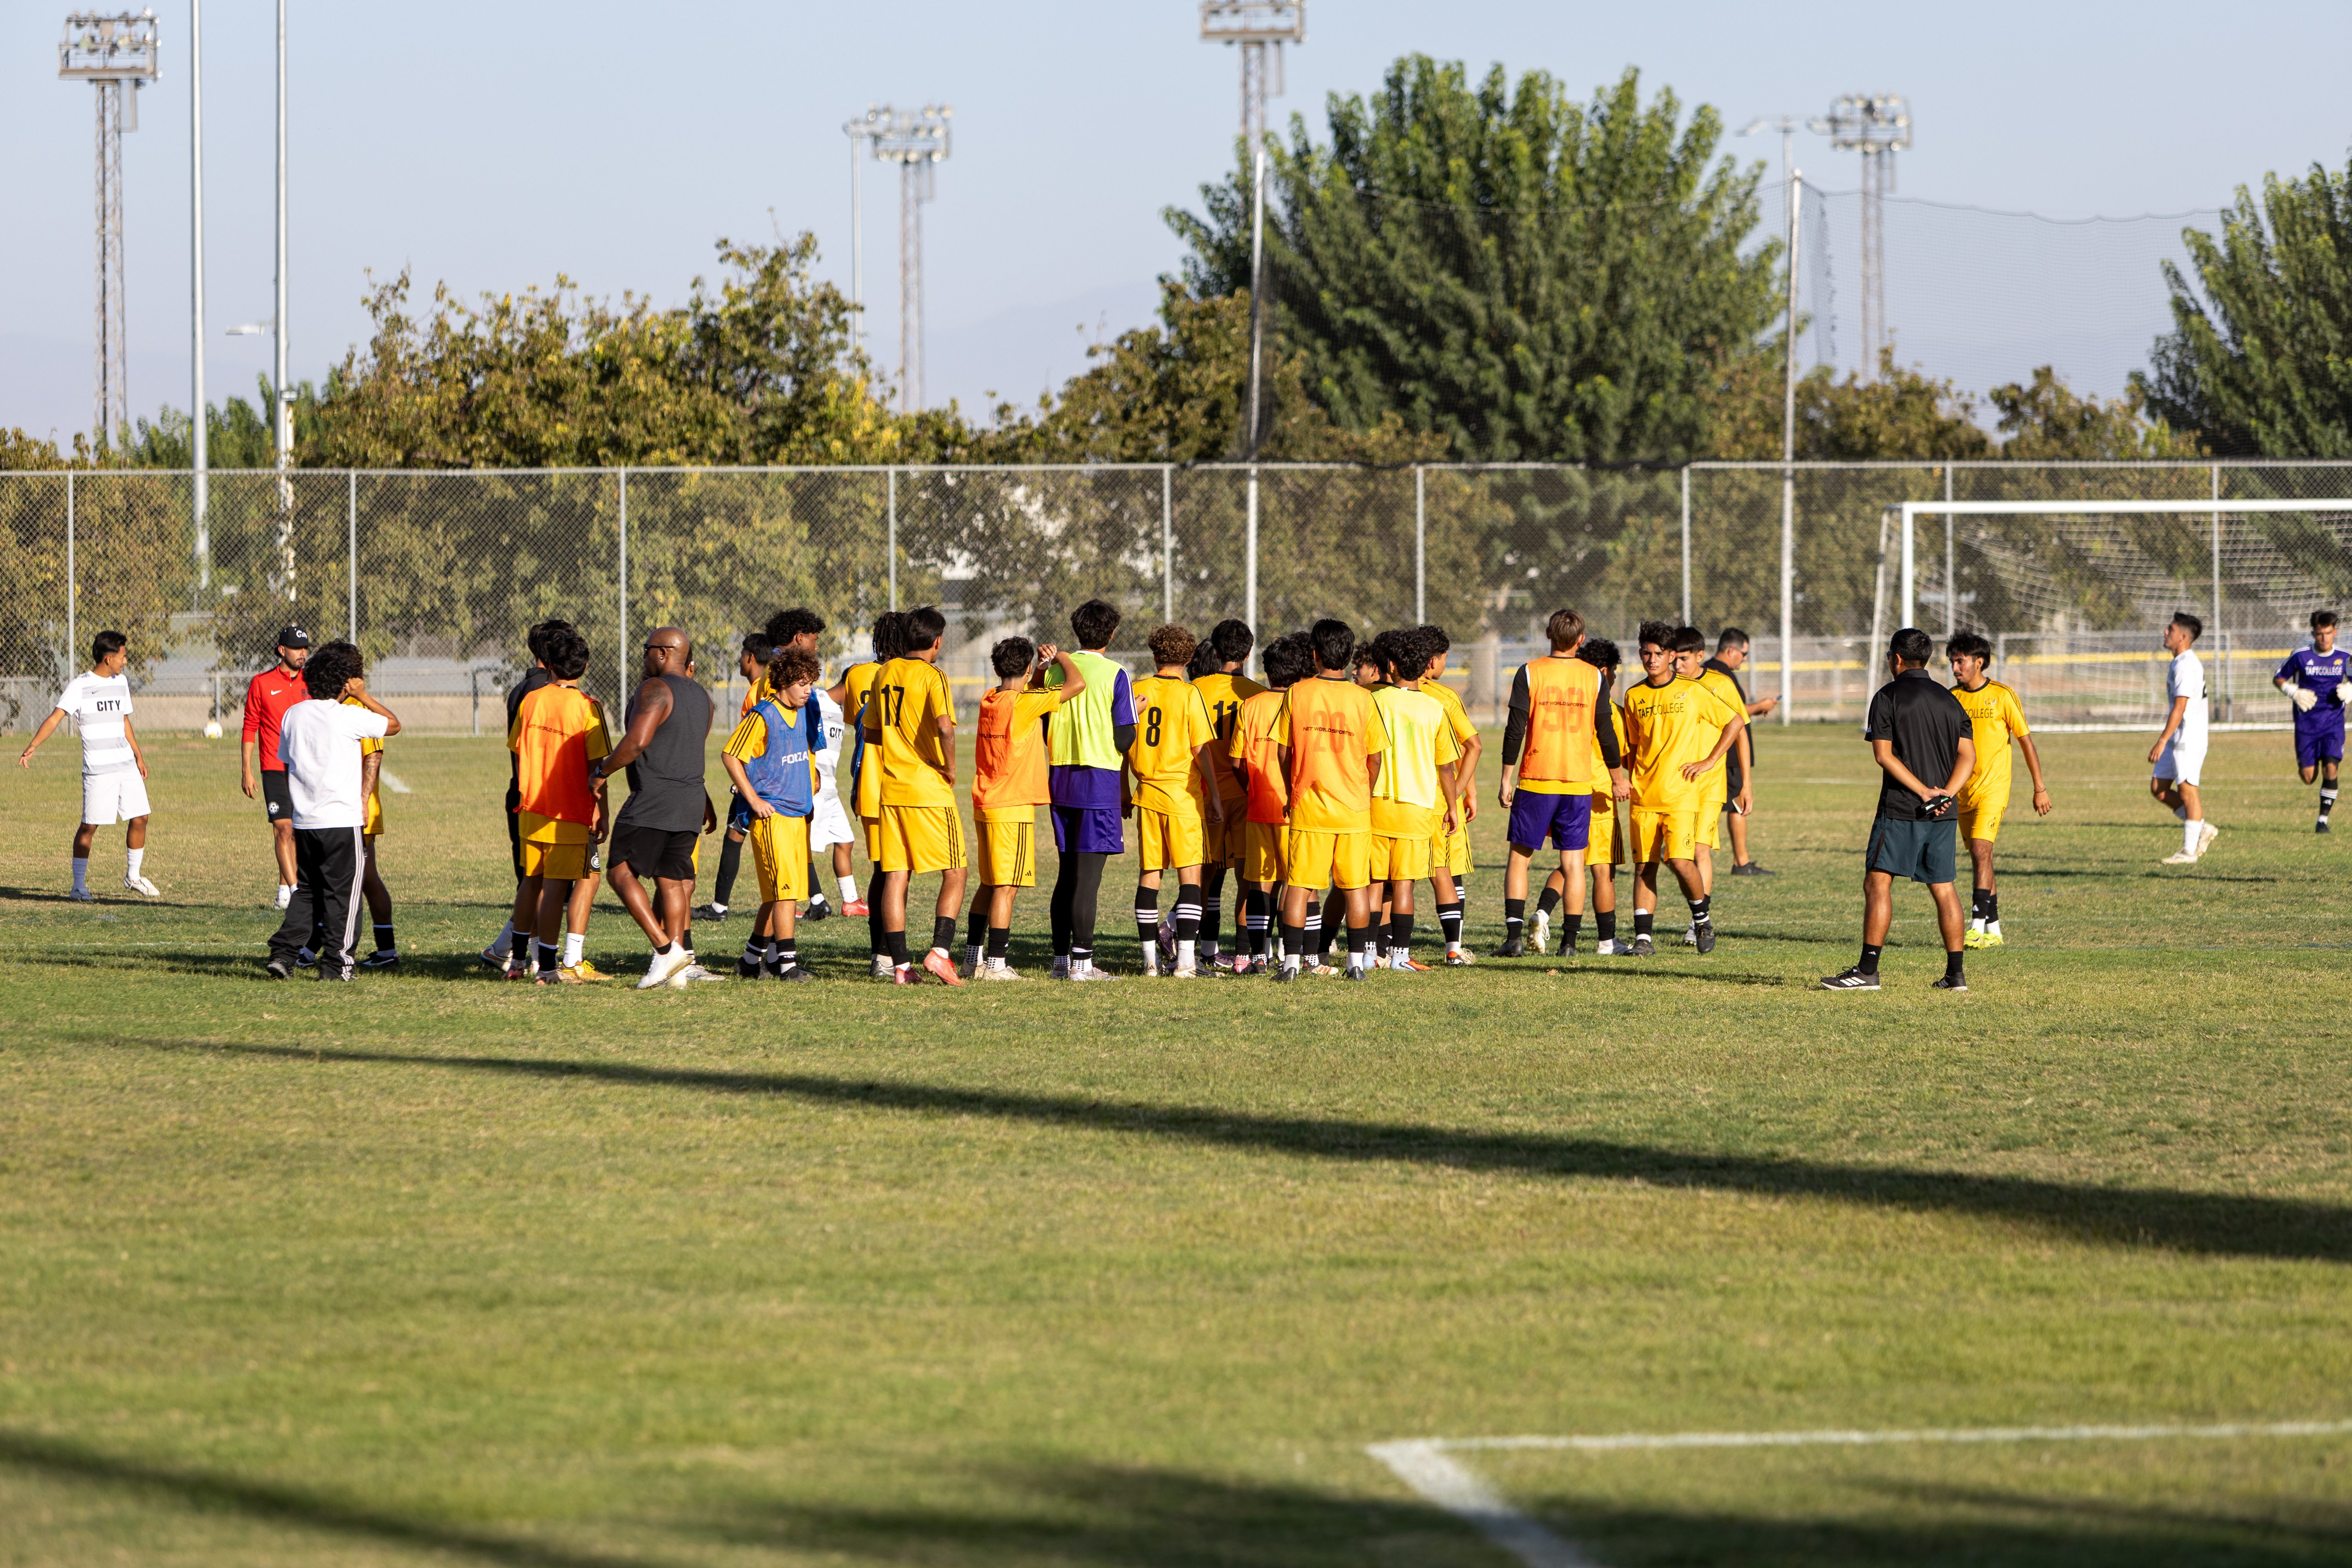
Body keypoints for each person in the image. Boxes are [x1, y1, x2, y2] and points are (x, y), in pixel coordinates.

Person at [1821, 627, 1976, 993]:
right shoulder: (1950, 699)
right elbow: (1968, 756)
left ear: (1897, 659)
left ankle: (1867, 972)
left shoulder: (1887, 696)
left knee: (1877, 882)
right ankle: (1956, 976)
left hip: (1903, 808)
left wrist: (1924, 792)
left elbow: (1883, 755)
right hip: (1943, 812)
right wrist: (1946, 794)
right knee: (1944, 887)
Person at [264, 641, 400, 981]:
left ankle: (283, 954)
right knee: (344, 896)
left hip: (305, 821)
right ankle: (338, 966)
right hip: (341, 821)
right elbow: (393, 725)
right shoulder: (348, 714)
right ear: (343, 684)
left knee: (307, 892)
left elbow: (286, 763)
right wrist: (363, 695)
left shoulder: (294, 714)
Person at [1494, 609, 1624, 958]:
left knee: (1520, 858)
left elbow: (1515, 729)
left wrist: (1506, 777)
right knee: (1573, 863)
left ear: (1549, 634)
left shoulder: (1530, 671)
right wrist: (1617, 777)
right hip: (1578, 783)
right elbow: (1607, 733)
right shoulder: (1594, 676)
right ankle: (1569, 943)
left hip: (1537, 779)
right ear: (1581, 640)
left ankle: (1514, 939)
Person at [596, 626, 714, 989]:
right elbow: (690, 749)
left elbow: (637, 742)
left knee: (619, 872)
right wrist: (705, 799)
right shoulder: (703, 697)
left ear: (663, 653)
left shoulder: (655, 689)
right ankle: (674, 974)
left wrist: (601, 773)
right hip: (690, 802)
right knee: (672, 881)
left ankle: (665, 951)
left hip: (654, 800)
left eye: (648, 649)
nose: (644, 655)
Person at [1272, 619, 1388, 982]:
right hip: (1354, 807)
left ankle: (1291, 965)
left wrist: (1292, 789)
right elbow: (1375, 758)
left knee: (1299, 885)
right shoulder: (1364, 698)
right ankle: (1355, 965)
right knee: (1355, 887)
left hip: (1309, 804)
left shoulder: (1297, 693)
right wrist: (1364, 791)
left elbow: (1283, 752)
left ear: (1315, 654)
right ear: (1349, 655)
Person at [1622, 620, 1744, 957]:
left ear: (1671, 656)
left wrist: (1709, 761)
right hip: (1644, 797)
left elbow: (1735, 721)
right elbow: (1634, 747)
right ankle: (1643, 940)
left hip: (1681, 796)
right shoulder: (1634, 696)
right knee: (1644, 867)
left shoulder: (1692, 691)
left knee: (1680, 861)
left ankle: (1702, 919)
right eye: (1646, 653)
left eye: (1658, 654)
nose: (1652, 660)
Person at [966, 635, 1084, 979]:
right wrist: (1062, 657)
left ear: (996, 669)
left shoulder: (990, 698)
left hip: (986, 801)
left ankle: (973, 959)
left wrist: (1039, 671)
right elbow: (1077, 684)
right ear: (1029, 668)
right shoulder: (1025, 704)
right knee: (1007, 887)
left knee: (989, 883)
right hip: (1012, 806)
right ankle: (996, 964)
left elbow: (1029, 690)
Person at [865, 604, 967, 985]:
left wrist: (900, 743)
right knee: (956, 870)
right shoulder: (933, 675)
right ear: (937, 642)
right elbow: (945, 728)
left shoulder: (885, 672)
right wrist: (950, 768)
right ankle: (940, 953)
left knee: (896, 875)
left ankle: (901, 967)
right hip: (928, 789)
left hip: (891, 789)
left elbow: (871, 732)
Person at [17, 630, 159, 901]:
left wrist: (138, 756)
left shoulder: (122, 682)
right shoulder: (80, 686)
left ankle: (134, 876)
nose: (125, 661)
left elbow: (124, 721)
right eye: (123, 656)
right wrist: (34, 745)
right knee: (90, 827)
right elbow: (55, 718)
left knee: (141, 817)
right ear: (108, 659)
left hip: (126, 765)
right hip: (98, 771)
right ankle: (78, 886)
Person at [508, 627, 613, 984]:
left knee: (530, 882)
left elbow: (519, 749)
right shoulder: (588, 708)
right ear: (585, 667)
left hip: (531, 807)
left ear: (550, 665)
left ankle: (517, 962)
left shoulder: (531, 700)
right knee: (554, 889)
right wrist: (602, 812)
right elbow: (597, 769)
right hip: (567, 811)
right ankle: (549, 969)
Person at [1044, 599, 1138, 981]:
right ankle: (1082, 965)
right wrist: (1136, 710)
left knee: (1067, 873)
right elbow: (1125, 738)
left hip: (1060, 776)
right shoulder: (1117, 673)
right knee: (1088, 877)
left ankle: (1061, 962)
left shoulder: (1056, 671)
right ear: (1112, 634)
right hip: (1098, 780)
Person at [720, 644, 826, 982]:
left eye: (811, 683)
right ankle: (788, 966)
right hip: (772, 817)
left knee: (777, 893)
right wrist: (753, 800)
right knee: (784, 893)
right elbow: (731, 755)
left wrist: (811, 782)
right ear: (783, 682)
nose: (808, 690)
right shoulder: (763, 715)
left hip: (797, 814)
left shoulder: (804, 712)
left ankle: (750, 961)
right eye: (802, 684)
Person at [1125, 624, 1225, 977]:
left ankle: (1150, 963)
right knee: (1191, 879)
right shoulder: (1188, 694)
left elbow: (1123, 744)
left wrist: (1123, 790)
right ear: (1188, 659)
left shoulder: (1137, 690)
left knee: (1149, 876)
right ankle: (1185, 962)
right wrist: (1215, 795)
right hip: (1183, 798)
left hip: (1148, 794)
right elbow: (1201, 750)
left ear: (1155, 656)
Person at [1946, 631, 2050, 948]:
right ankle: (1995, 930)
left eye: (1960, 661)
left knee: (1981, 850)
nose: (1955, 668)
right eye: (1952, 662)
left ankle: (1976, 926)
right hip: (1963, 792)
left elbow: (2026, 742)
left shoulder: (2003, 696)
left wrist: (2040, 788)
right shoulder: (1952, 698)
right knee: (1982, 858)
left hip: (1993, 789)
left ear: (1979, 662)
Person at [483, 619, 575, 973]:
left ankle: (512, 951)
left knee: (534, 879)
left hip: (526, 793)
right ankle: (538, 958)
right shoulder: (542, 692)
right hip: (541, 796)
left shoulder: (522, 689)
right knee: (541, 881)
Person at [1369, 627, 1462, 971]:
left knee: (1374, 882)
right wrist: (1452, 807)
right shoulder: (1434, 708)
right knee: (1404, 884)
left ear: (1391, 666)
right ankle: (1400, 956)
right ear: (1425, 667)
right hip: (1418, 808)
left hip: (1376, 804)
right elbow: (1446, 767)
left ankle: (1368, 953)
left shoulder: (1374, 701)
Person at [1229, 633, 1310, 976]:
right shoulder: (1303, 704)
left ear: (1267, 670)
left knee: (1260, 884)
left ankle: (1259, 957)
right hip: (1296, 808)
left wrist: (1252, 788)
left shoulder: (1251, 706)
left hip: (1259, 805)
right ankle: (1300, 956)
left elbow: (1236, 762)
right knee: (1299, 882)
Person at [1189, 618, 1264, 969]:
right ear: (1248, 655)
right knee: (1247, 877)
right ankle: (1244, 955)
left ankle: (1191, 950)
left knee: (1203, 876)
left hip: (1206, 793)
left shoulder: (1195, 690)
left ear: (1215, 652)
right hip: (1246, 791)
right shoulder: (1257, 694)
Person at [835, 612, 904, 976]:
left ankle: (881, 955)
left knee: (882, 869)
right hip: (899, 780)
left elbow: (853, 719)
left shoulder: (858, 674)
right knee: (897, 871)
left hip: (868, 781)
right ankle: (888, 955)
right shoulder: (910, 674)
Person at [1672, 626, 1747, 943]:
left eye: (1684, 659)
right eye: (1674, 659)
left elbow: (1739, 730)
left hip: (1710, 785)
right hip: (1676, 784)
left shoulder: (1721, 684)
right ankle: (1698, 913)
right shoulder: (1670, 687)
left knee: (1700, 851)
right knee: (1675, 856)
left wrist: (1746, 784)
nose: (1678, 665)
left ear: (1700, 656)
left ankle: (1698, 923)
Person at [696, 632, 775, 925]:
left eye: (742, 655)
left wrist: (744, 775)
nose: (740, 660)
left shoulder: (757, 691)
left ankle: (720, 907)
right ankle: (815, 899)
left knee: (737, 834)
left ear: (750, 658)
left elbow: (754, 739)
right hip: (761, 776)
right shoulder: (765, 687)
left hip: (754, 778)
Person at [1417, 625, 1481, 964]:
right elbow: (1470, 747)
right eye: (1444, 658)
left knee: (1393, 877)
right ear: (1433, 660)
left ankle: (1377, 950)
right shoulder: (1444, 697)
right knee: (1447, 870)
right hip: (1441, 799)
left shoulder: (1381, 694)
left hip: (1399, 797)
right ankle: (1453, 946)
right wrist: (1464, 791)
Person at [240, 625, 311, 909]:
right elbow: (250, 726)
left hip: (305, 768)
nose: (303, 653)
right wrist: (246, 770)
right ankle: (293, 893)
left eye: (305, 648)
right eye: (297, 648)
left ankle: (285, 887)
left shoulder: (313, 682)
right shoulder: (261, 683)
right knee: (283, 828)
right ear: (282, 651)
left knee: (299, 832)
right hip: (273, 767)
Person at [1708, 628, 1778, 876]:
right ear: (1731, 651)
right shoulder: (1719, 674)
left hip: (1723, 751)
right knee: (1736, 804)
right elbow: (1733, 712)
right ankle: (1741, 863)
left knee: (1723, 804)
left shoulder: (1715, 671)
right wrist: (1760, 706)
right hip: (1728, 751)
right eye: (1744, 654)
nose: (1745, 658)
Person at [345, 658, 400, 969]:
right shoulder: (340, 704)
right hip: (346, 809)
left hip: (359, 811)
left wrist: (364, 800)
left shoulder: (360, 707)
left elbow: (374, 753)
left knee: (359, 878)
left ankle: (319, 950)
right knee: (366, 878)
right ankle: (386, 951)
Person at [2151, 612, 2216, 866]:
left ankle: (2189, 853)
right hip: (2178, 736)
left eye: (2171, 629)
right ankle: (2200, 827)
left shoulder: (2186, 665)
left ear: (2183, 637)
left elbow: (2181, 707)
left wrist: (2162, 741)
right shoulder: (2180, 662)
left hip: (2188, 738)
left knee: (2188, 792)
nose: (2165, 632)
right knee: (2159, 788)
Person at [2274, 609, 2348, 833]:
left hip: (2333, 722)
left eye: (2328, 633)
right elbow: (2279, 678)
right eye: (2319, 634)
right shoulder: (2300, 655)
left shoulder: (2346, 657)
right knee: (2308, 778)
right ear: (2313, 633)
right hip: (2306, 724)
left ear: (2335, 632)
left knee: (2331, 769)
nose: (2324, 638)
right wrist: (2293, 692)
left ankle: (2322, 822)